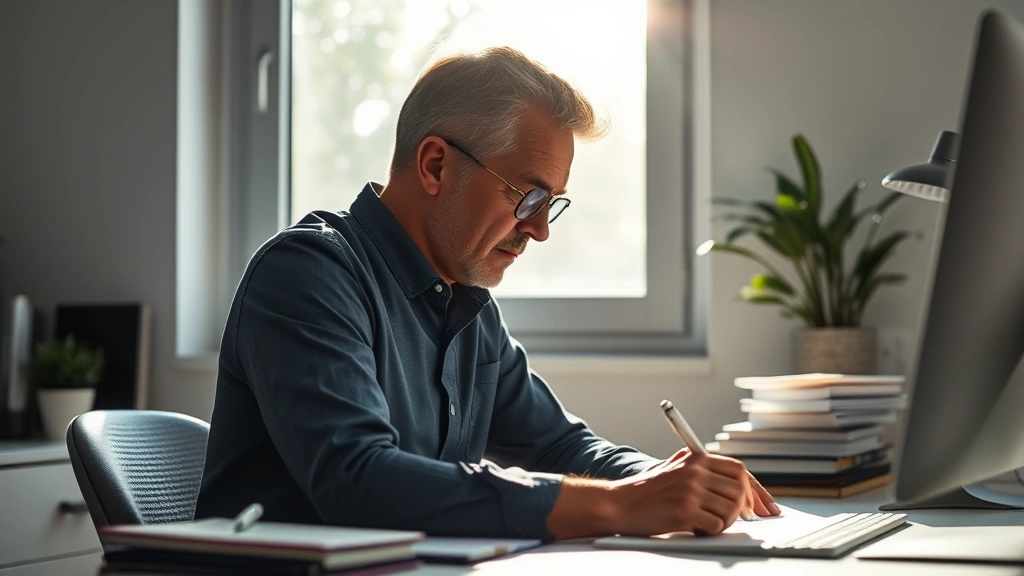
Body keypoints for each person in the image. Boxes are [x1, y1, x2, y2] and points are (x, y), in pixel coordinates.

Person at [195, 46, 779, 541]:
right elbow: (360, 481)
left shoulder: (467, 307)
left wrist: (670, 481)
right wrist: (622, 505)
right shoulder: (308, 273)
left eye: (552, 205)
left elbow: (558, 446)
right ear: (434, 165)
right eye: (526, 197)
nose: (540, 229)